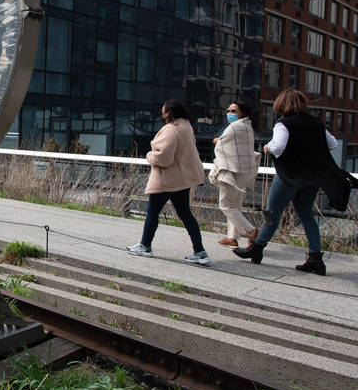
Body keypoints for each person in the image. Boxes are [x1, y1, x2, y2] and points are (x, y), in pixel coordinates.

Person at [233, 89, 339, 276]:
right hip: (311, 179)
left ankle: (256, 248)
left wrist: (267, 148)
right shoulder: (315, 123)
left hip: (288, 177)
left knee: (272, 214)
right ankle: (315, 258)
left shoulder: (283, 124)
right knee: (306, 215)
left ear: (281, 104)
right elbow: (333, 144)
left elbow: (278, 146)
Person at [127, 100, 210, 265]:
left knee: (152, 212)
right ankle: (200, 252)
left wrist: (150, 156)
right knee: (186, 214)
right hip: (182, 180)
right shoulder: (187, 127)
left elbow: (164, 158)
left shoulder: (171, 130)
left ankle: (145, 246)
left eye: (163, 111)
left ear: (170, 113)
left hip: (167, 179)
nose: (161, 113)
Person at [210, 102, 259, 248]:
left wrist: (217, 141)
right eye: (228, 110)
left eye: (233, 111)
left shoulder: (235, 126)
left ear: (242, 112)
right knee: (235, 204)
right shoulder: (247, 126)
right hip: (244, 170)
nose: (230, 113)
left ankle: (251, 231)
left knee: (225, 204)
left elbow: (222, 145)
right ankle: (232, 237)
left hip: (233, 170)